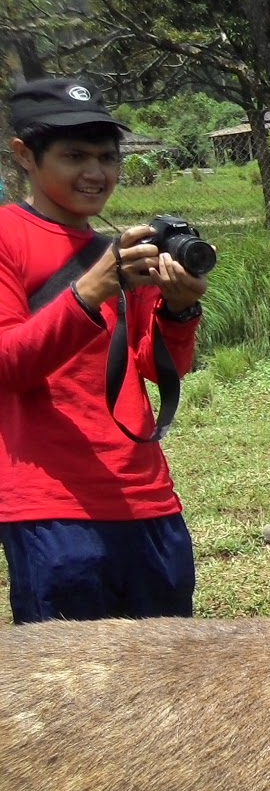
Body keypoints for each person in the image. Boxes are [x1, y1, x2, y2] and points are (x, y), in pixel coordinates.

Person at [1, 76, 209, 625]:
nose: (95, 173)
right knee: (68, 675)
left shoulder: (118, 250)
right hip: (51, 504)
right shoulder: (7, 236)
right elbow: (8, 365)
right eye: (74, 156)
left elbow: (161, 366)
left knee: (167, 665)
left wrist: (179, 310)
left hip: (146, 495)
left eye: (107, 157)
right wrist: (90, 292)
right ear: (24, 155)